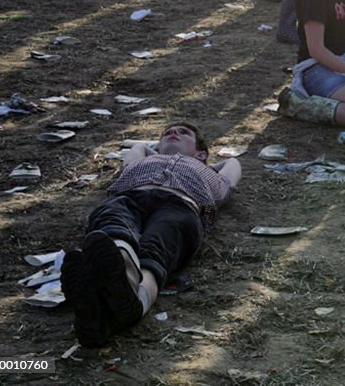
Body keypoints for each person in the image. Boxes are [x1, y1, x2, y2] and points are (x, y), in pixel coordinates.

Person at [61, 122, 241, 347]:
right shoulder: (141, 161)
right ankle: (116, 286)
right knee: (114, 226)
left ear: (201, 153)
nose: (173, 133)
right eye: (167, 133)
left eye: (183, 133)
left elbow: (232, 163)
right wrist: (159, 151)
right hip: (129, 197)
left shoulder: (210, 174)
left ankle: (124, 298)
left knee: (156, 249)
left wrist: (201, 161)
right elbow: (138, 147)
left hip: (181, 206)